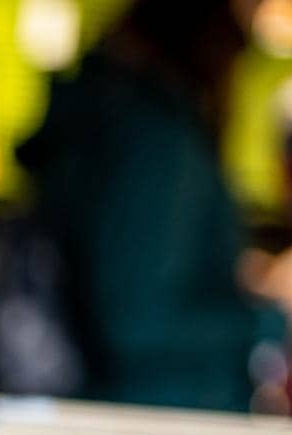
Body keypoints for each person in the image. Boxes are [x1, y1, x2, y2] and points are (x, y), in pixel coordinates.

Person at [16, 0, 285, 411]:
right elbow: (136, 320)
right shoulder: (160, 143)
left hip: (105, 408)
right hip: (154, 417)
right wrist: (268, 316)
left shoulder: (112, 120)